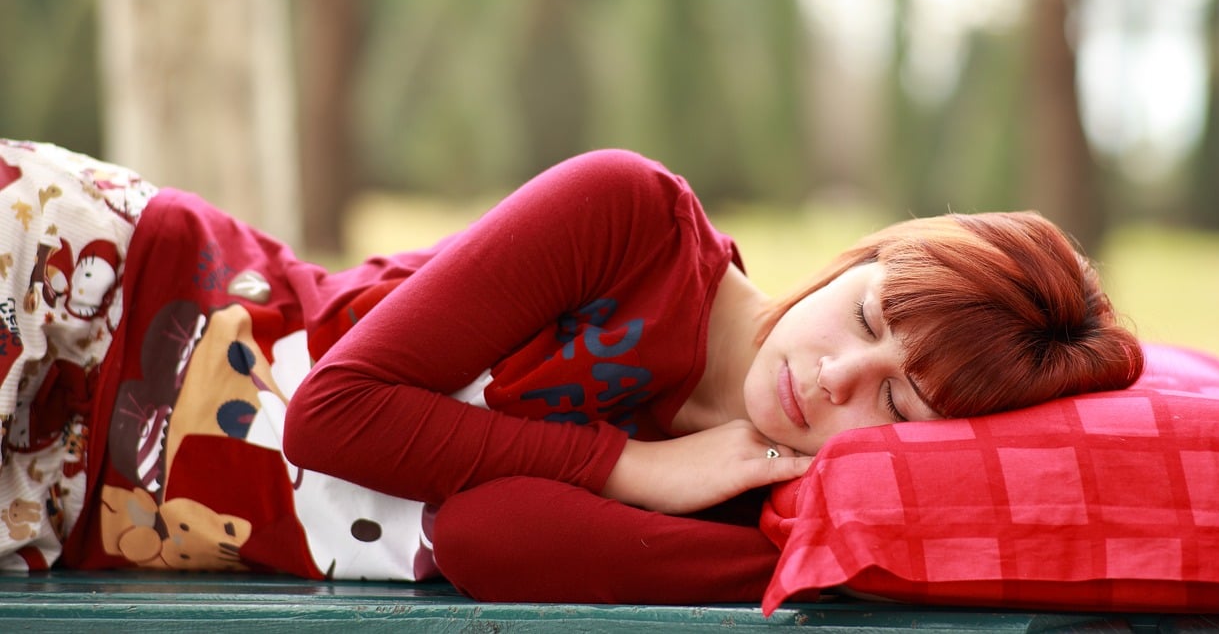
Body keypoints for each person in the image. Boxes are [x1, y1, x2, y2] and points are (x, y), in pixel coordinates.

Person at [0, 139, 1142, 604]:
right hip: (92, 290)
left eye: (894, 399)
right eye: (868, 313)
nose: (835, 371)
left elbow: (486, 537)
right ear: (860, 258)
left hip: (74, 503)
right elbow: (333, 418)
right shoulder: (632, 220)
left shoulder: (748, 497)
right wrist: (629, 467)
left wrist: (791, 546)